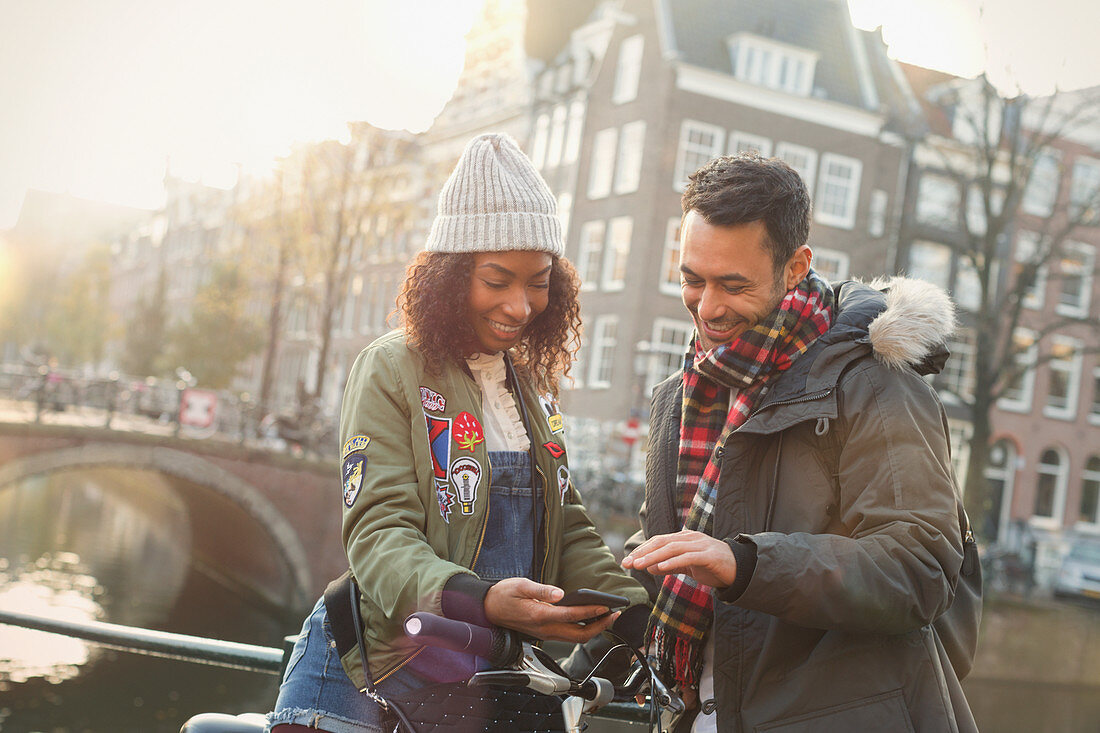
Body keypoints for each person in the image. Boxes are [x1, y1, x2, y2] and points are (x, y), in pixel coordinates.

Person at [267, 133, 648, 733]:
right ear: (449, 276)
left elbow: (566, 522)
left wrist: (634, 612)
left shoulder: (532, 384)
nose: (522, 306)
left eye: (539, 281)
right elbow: (378, 532)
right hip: (375, 665)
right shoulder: (393, 367)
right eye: (497, 280)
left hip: (480, 677)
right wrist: (482, 600)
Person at [620, 153, 977, 732]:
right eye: (692, 279)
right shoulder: (680, 396)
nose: (707, 308)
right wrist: (596, 615)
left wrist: (746, 564)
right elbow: (672, 549)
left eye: (733, 285)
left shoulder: (876, 386)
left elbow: (920, 567)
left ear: (794, 267)